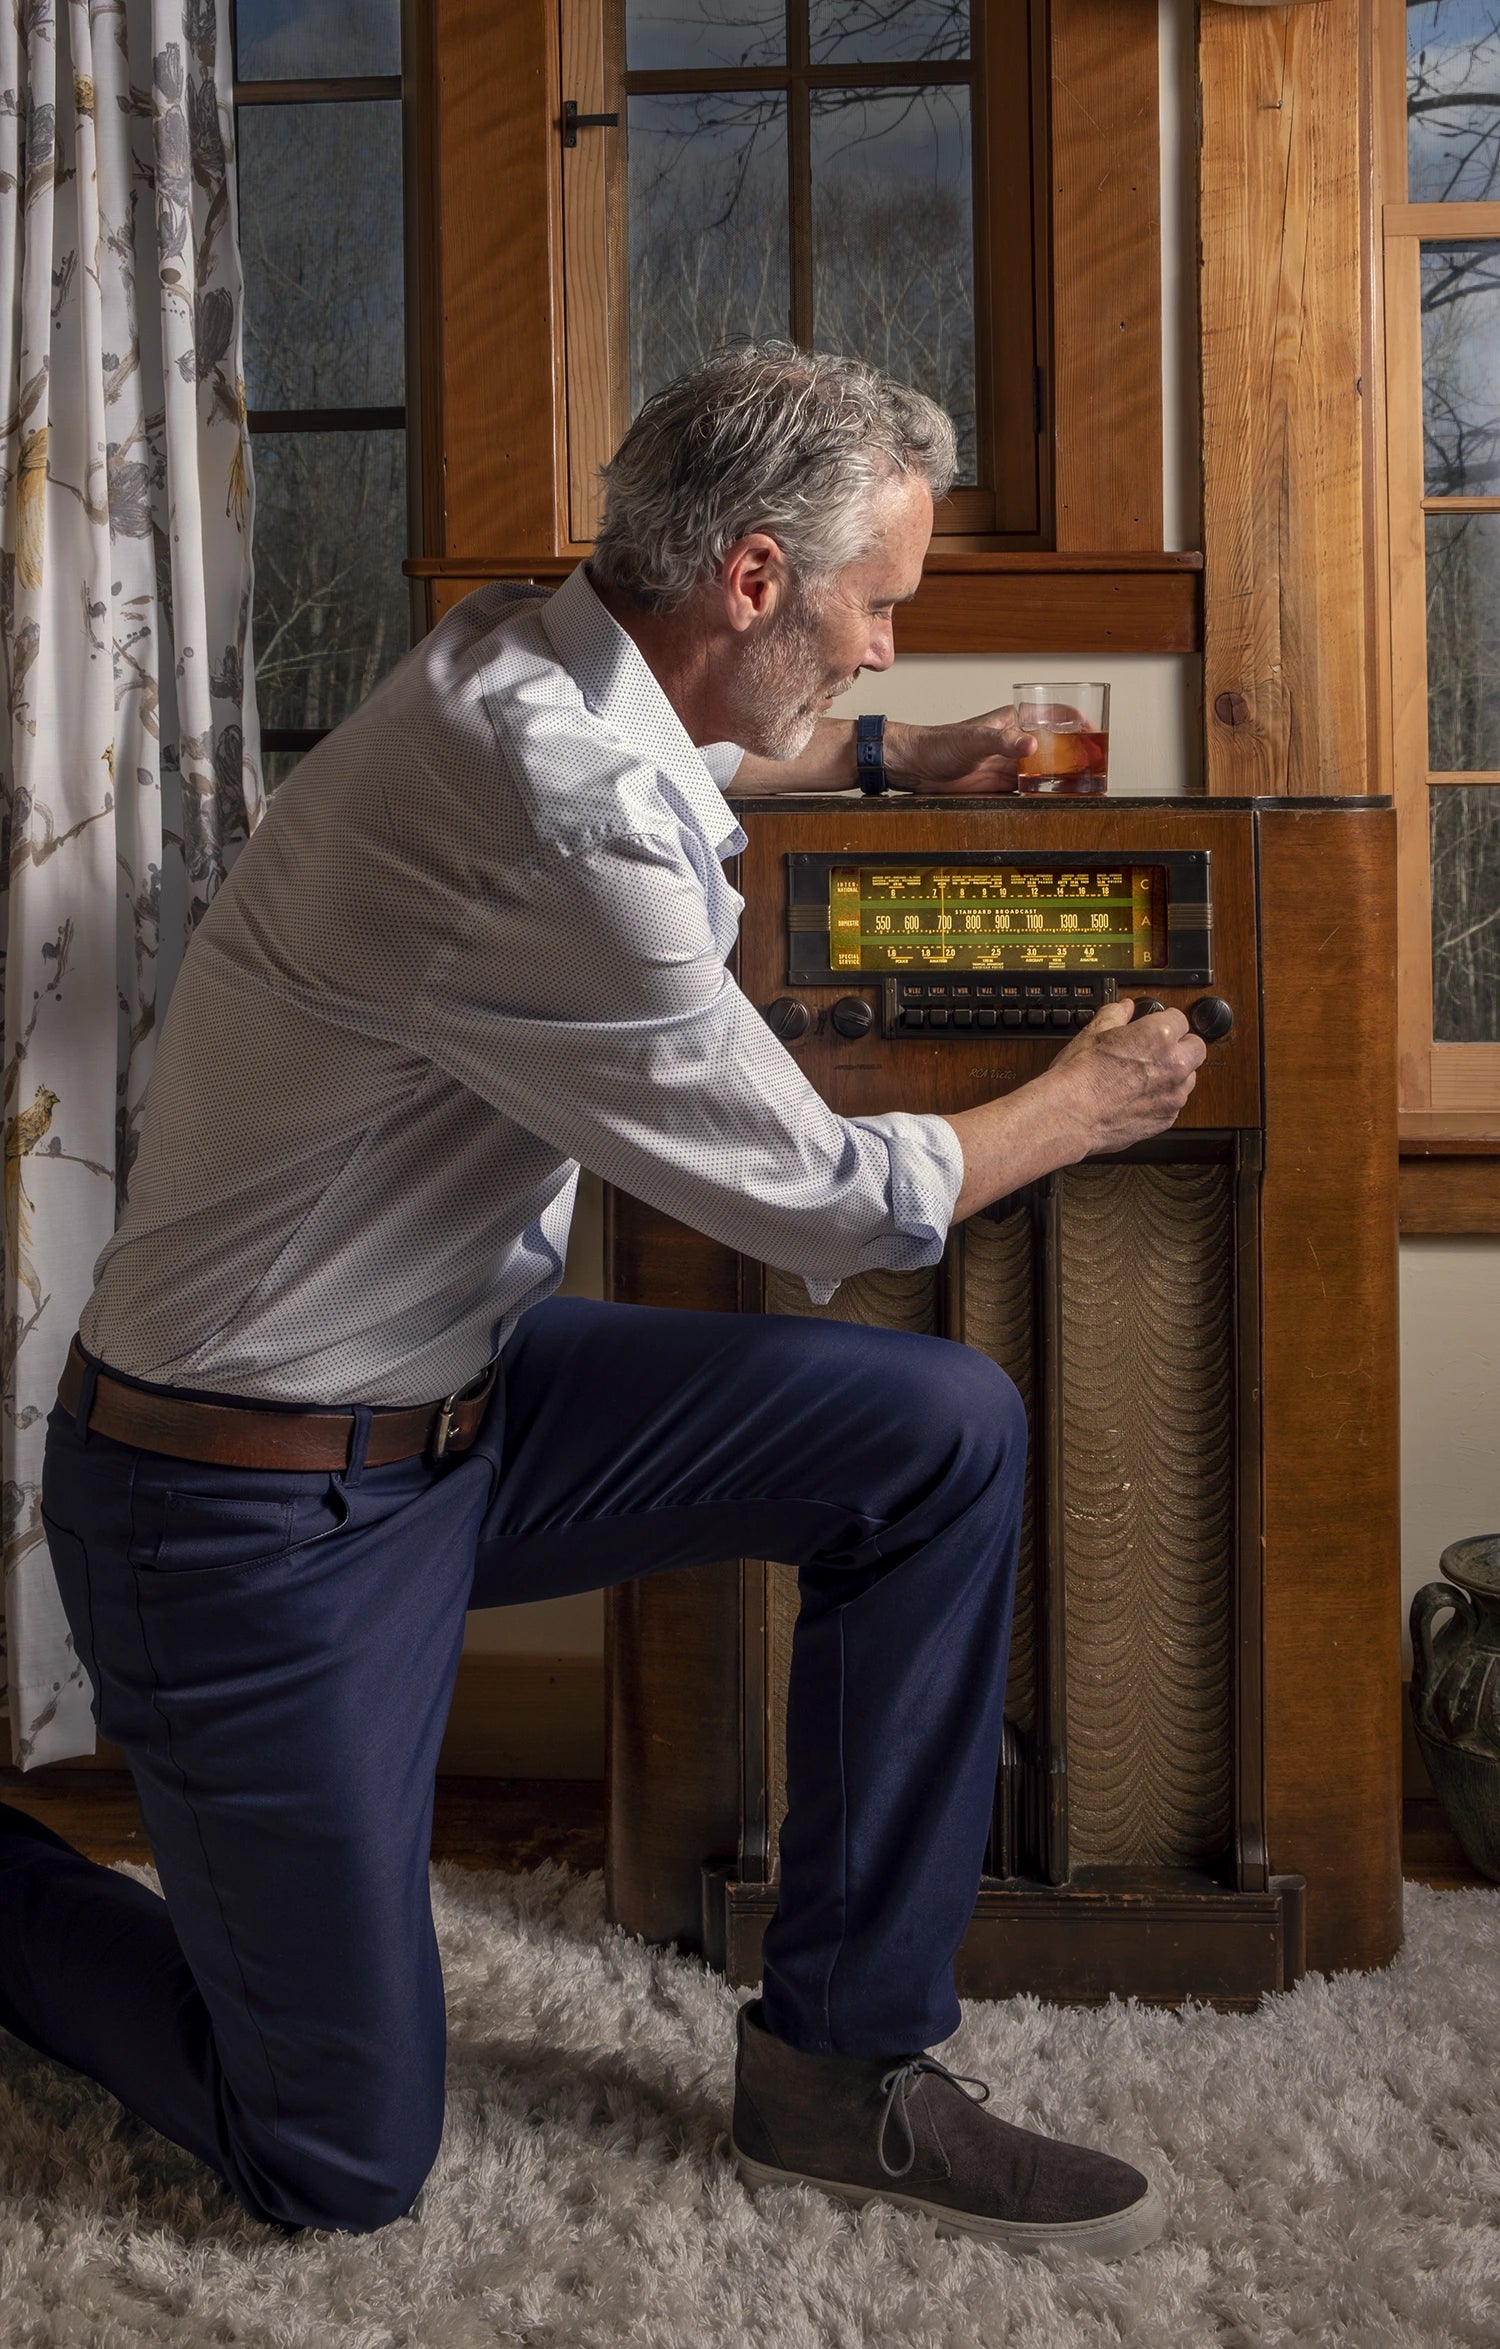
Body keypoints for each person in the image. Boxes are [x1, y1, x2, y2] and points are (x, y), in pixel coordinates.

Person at [1, 345, 1203, 2258]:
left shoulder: (533, 651)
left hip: (468, 1401)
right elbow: (835, 1194)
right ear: (749, 574)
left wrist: (911, 758)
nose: (892, 645)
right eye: (878, 605)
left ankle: (843, 2063)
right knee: (333, 2158)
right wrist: (1090, 1098)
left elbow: (718, 738)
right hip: (239, 1504)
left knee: (936, 1435)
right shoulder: (552, 811)